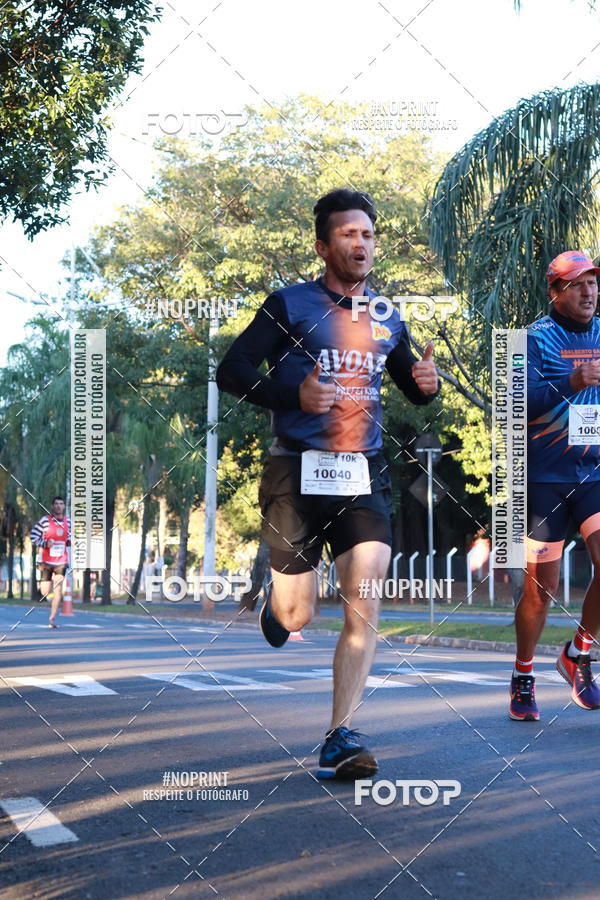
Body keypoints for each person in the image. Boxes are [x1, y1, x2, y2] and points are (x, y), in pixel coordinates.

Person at [217, 188, 440, 777]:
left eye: (367, 234)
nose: (361, 243)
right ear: (323, 245)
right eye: (348, 234)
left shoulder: (388, 316)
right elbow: (231, 370)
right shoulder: (287, 306)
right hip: (295, 470)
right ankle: (277, 599)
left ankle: (340, 735)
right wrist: (293, 394)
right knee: (296, 618)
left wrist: (425, 383)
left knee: (364, 599)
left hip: (363, 474)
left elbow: (409, 383)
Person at [510, 250, 600, 721]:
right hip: (544, 479)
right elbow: (517, 404)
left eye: (593, 283)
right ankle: (524, 674)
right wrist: (571, 379)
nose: (588, 293)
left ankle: (578, 653)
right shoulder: (532, 339)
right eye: (577, 284)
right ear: (555, 291)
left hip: (593, 474)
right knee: (538, 593)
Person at [30, 496, 71, 628]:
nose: (59, 506)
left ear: (64, 506)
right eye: (56, 504)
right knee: (45, 592)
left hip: (61, 561)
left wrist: (71, 541)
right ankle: (46, 591)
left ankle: (52, 619)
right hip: (46, 561)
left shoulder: (68, 522)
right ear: (52, 506)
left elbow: (70, 538)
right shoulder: (45, 521)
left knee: (58, 589)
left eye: (61, 504)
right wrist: (46, 543)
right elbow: (33, 537)